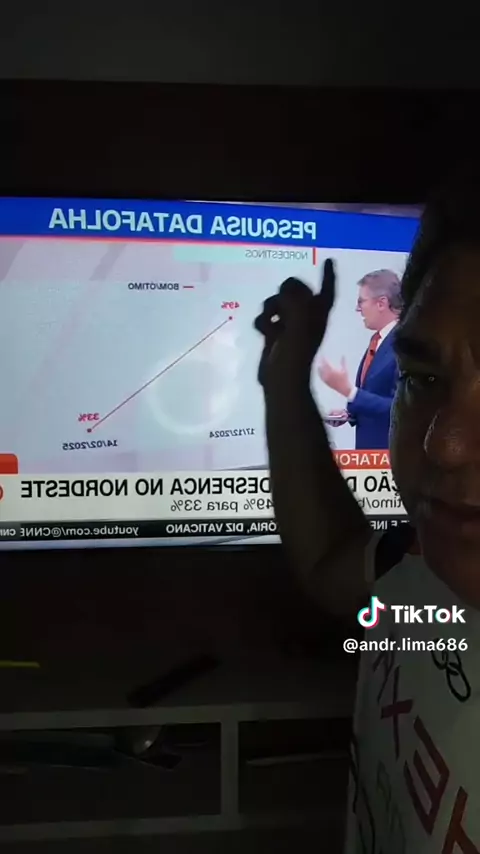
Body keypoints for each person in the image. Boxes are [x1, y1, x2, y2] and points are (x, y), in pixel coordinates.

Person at [255, 169, 480, 852]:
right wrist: (284, 379)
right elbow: (332, 565)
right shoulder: (426, 574)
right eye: (425, 378)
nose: (444, 444)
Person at [318, 269, 401, 449]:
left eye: (361, 301)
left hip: (391, 457)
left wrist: (349, 391)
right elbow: (376, 394)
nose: (358, 308)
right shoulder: (377, 341)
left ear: (381, 303)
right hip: (368, 457)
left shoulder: (404, 345)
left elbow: (401, 409)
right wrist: (350, 414)